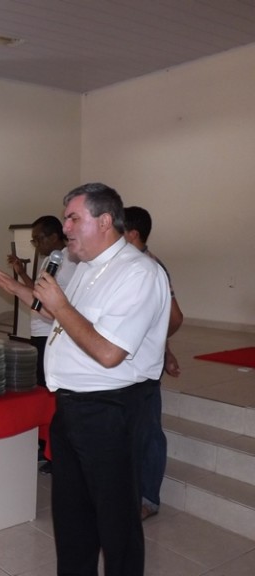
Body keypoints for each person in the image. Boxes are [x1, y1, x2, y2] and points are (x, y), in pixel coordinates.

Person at [0, 183, 171, 576]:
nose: (65, 227)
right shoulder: (88, 268)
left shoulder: (139, 273)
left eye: (73, 218)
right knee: (72, 517)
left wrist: (62, 304)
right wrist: (19, 288)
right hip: (71, 405)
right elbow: (67, 320)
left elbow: (108, 353)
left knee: (115, 523)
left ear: (105, 221)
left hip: (110, 408)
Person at [124, 205, 184, 521]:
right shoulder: (126, 264)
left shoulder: (150, 267)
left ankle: (148, 498)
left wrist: (155, 346)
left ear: (132, 234)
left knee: (148, 430)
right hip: (128, 365)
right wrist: (165, 349)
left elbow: (173, 318)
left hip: (142, 367)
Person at [7, 216, 76, 388]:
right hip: (39, 331)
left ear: (53, 237)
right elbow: (38, 293)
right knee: (39, 380)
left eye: (38, 239)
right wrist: (21, 273)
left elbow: (70, 300)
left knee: (49, 383)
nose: (36, 244)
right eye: (34, 240)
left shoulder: (70, 261)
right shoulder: (50, 259)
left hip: (53, 332)